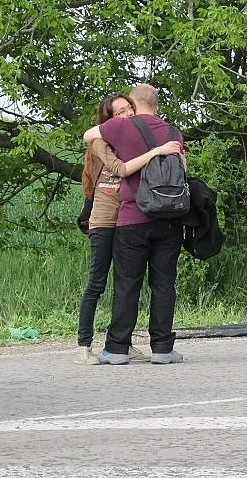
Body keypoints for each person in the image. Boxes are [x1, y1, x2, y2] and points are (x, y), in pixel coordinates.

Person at [77, 93, 183, 365]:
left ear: (136, 105)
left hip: (132, 217)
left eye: (128, 108)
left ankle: (117, 348)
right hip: (169, 216)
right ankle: (162, 348)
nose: (126, 114)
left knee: (126, 284)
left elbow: (89, 135)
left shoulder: (121, 129)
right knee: (163, 285)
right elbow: (183, 166)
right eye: (121, 111)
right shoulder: (173, 132)